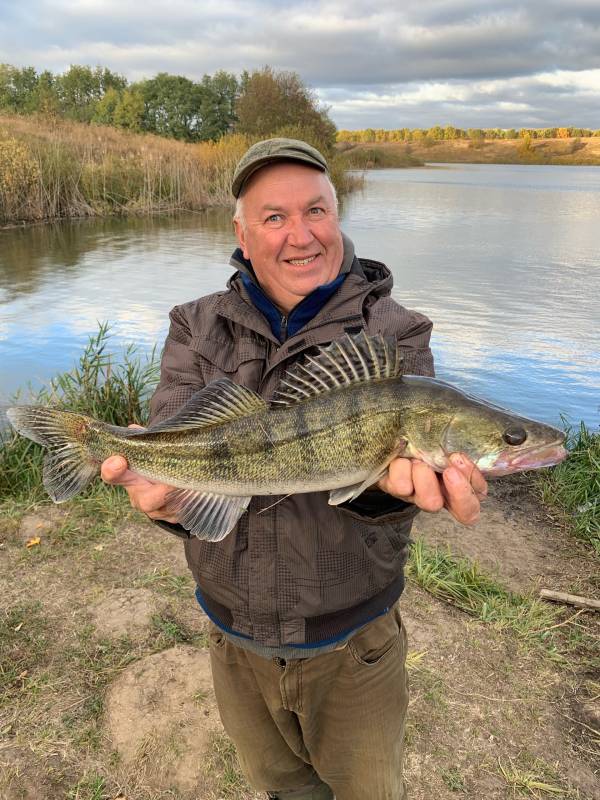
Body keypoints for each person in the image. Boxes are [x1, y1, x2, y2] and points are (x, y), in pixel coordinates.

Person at [101, 138, 487, 800]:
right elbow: (185, 471)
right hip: (234, 638)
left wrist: (381, 493)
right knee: (278, 787)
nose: (300, 234)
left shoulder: (394, 335)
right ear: (241, 233)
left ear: (339, 216)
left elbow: (396, 482)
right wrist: (165, 499)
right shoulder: (195, 327)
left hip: (353, 644)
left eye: (316, 210)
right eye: (274, 217)